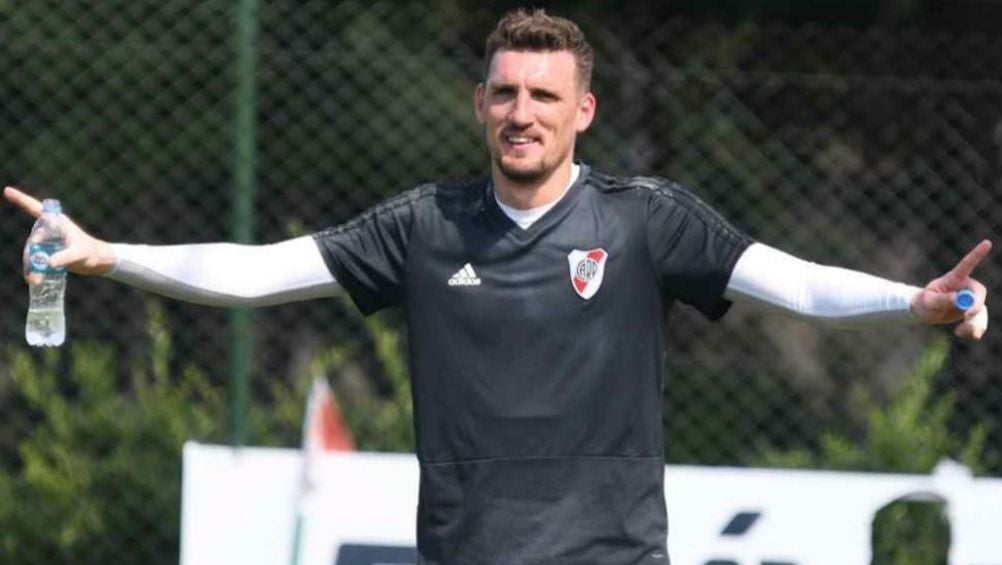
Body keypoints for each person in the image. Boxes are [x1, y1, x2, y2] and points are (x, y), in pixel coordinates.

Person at [5, 8, 990, 565]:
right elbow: (260, 272)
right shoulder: (422, 225)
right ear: (481, 103)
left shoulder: (648, 218)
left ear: (584, 111)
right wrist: (103, 254)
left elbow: (797, 283)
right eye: (507, 93)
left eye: (545, 95)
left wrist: (912, 301)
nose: (523, 112)